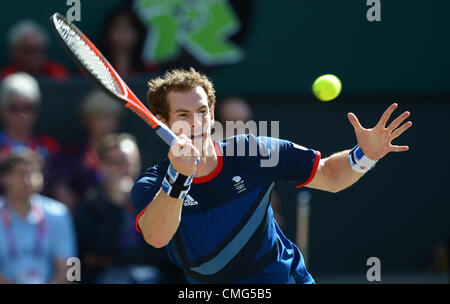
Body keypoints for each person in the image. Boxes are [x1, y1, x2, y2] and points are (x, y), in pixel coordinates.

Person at [131, 68, 412, 284]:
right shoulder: (152, 184)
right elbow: (156, 236)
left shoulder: (255, 151)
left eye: (203, 112)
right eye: (183, 114)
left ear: (212, 113)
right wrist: (179, 178)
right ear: (162, 122)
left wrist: (366, 155)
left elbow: (329, 175)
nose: (196, 123)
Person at [74, 133, 182, 283]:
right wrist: (116, 205)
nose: (123, 169)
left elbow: (164, 251)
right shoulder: (91, 203)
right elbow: (92, 253)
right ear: (103, 166)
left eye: (129, 162)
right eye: (115, 162)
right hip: (107, 276)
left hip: (153, 273)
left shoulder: (157, 196)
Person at [0, 149, 77, 284]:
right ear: (4, 178)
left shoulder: (59, 213)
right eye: (21, 173)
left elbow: (71, 267)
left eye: (34, 173)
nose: (28, 180)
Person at [50, 89, 124, 211]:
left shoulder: (126, 157)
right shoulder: (70, 157)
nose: (106, 124)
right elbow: (64, 197)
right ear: (87, 120)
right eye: (99, 117)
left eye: (111, 117)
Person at [0, 72, 59, 195]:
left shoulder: (48, 146)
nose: (22, 114)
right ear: (2, 110)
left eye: (28, 108)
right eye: (14, 108)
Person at [99, 7, 159, 78]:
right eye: (118, 26)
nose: (123, 32)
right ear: (108, 32)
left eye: (128, 27)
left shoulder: (150, 71)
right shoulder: (95, 70)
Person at [0, 20, 70, 81]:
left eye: (38, 50)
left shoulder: (58, 74)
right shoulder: (6, 78)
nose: (35, 57)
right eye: (27, 50)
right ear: (13, 53)